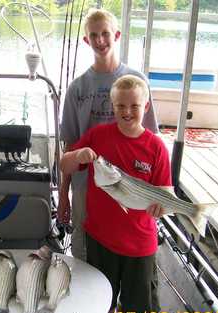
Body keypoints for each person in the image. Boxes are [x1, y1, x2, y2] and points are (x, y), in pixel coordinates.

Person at [60, 75, 167, 313]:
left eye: (134, 105)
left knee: (141, 302)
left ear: (146, 107)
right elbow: (64, 164)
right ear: (113, 105)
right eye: (121, 105)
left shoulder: (156, 147)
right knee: (105, 294)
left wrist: (163, 205)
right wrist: (78, 154)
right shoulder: (98, 137)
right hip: (101, 237)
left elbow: (165, 190)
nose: (127, 111)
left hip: (140, 243)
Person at [58, 8, 158, 262]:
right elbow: (69, 146)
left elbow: (152, 141)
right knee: (85, 255)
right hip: (85, 188)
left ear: (117, 35)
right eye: (94, 35)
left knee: (129, 254)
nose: (100, 40)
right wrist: (63, 197)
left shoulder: (137, 81)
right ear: (86, 40)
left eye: (105, 34)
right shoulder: (77, 88)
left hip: (131, 186)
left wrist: (157, 195)